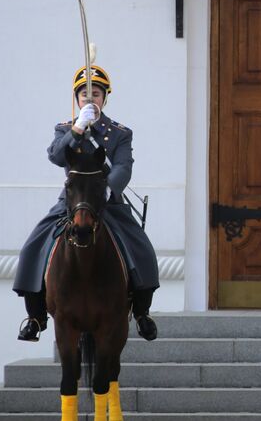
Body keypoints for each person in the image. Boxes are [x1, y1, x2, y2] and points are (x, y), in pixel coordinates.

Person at [14, 65, 159, 342]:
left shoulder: (119, 133)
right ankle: (35, 317)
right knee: (34, 247)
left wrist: (107, 189)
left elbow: (123, 167)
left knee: (141, 248)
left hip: (107, 203)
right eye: (84, 94)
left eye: (96, 94)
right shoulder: (65, 129)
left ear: (105, 98)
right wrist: (78, 129)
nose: (90, 99)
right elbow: (57, 157)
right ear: (76, 99)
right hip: (71, 203)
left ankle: (142, 311)